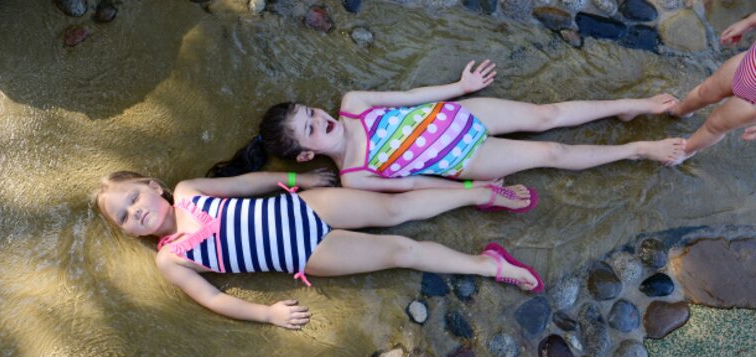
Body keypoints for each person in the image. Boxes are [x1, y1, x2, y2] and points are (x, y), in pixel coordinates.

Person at [95, 170, 543, 329]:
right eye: (124, 216)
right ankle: (489, 264)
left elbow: (247, 184)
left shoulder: (189, 190)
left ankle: (478, 194)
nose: (136, 212)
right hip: (310, 252)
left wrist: (297, 180)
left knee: (394, 210)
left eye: (134, 198)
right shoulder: (169, 259)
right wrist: (267, 313)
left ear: (153, 186)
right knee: (399, 250)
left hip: (305, 206)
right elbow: (213, 299)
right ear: (129, 233)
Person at [209, 60, 685, 191]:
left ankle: (630, 104)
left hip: (461, 115)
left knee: (547, 116)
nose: (321, 119)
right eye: (311, 129)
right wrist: (472, 192)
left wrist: (460, 87)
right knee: (551, 155)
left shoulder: (353, 104)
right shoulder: (354, 176)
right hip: (464, 160)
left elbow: (412, 98)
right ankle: (637, 149)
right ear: (307, 154)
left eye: (311, 112)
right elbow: (416, 184)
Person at [668, 12, 756, 164]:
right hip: (749, 64)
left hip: (752, 102)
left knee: (716, 124)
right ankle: (680, 110)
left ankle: (686, 149)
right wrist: (748, 22)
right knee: (705, 91)